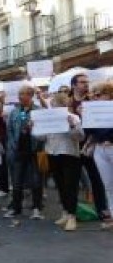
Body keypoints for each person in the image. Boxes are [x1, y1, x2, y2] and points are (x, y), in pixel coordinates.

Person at [35, 92, 83, 231]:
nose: (55, 107)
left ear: (65, 105)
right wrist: (35, 128)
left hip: (69, 154)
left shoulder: (73, 117)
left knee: (70, 186)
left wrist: (71, 126)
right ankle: (65, 212)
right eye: (54, 104)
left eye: (59, 104)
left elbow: (80, 136)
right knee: (60, 185)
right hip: (52, 153)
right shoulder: (49, 119)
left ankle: (72, 216)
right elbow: (41, 138)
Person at [71, 74, 109, 221]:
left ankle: (102, 209)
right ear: (74, 85)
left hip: (91, 145)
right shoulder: (67, 102)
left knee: (97, 179)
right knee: (73, 181)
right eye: (82, 82)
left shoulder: (93, 100)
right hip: (73, 147)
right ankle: (71, 212)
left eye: (87, 82)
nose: (86, 85)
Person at [4, 85, 44, 220]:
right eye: (20, 94)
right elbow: (9, 130)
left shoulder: (38, 111)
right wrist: (11, 145)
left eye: (24, 94)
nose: (21, 97)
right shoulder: (14, 112)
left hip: (34, 150)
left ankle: (37, 208)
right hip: (18, 151)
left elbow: (44, 131)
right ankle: (16, 208)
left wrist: (34, 128)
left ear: (30, 95)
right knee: (16, 181)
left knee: (36, 181)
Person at [87, 82, 113, 230]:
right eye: (94, 95)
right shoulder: (94, 109)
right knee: (108, 185)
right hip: (99, 148)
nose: (95, 98)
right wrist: (85, 115)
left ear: (109, 94)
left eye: (98, 94)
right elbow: (89, 132)